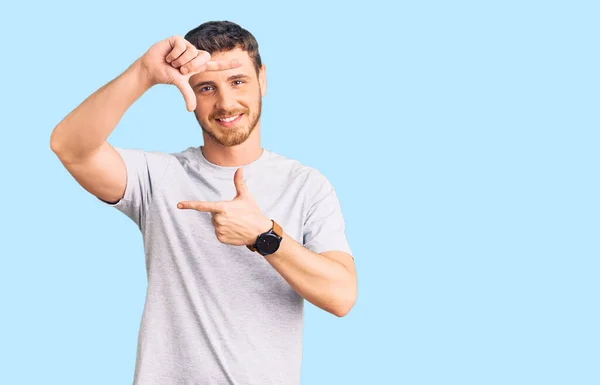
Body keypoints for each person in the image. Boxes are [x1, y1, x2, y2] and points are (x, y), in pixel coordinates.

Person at [50, 20, 357, 385]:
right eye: (207, 87)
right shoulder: (159, 177)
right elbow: (69, 147)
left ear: (262, 79)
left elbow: (341, 296)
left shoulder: (306, 185)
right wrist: (145, 73)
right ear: (188, 94)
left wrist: (264, 236)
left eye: (238, 81)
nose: (226, 103)